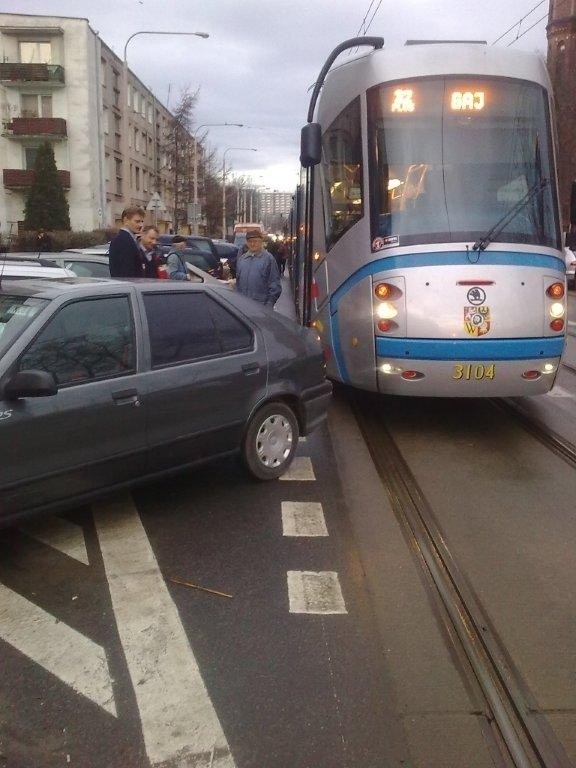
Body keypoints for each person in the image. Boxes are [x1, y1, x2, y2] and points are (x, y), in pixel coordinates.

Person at [235, 230, 281, 307]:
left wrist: (268, 306)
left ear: (261, 242)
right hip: (243, 307)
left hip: (261, 307)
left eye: (256, 241)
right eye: (250, 241)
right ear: (246, 242)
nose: (252, 244)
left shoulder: (269, 259)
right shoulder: (242, 260)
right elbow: (238, 283)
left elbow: (275, 285)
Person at [109, 206, 145, 277]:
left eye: (142, 221)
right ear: (126, 220)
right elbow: (126, 271)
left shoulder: (127, 238)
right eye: (137, 221)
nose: (141, 225)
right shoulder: (123, 240)